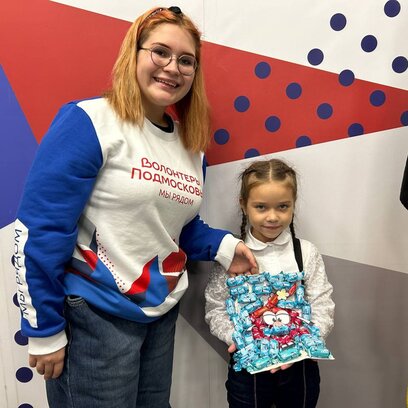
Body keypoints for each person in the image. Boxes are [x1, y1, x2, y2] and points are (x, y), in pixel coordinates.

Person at [13, 6, 258, 408]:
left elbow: (177, 226)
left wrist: (226, 247)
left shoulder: (191, 147)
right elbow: (42, 229)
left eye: (186, 61)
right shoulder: (90, 121)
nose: (172, 68)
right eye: (160, 52)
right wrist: (43, 329)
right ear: (134, 53)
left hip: (160, 316)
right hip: (94, 316)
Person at [205, 158, 335, 408]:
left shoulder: (306, 253)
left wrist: (306, 342)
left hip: (299, 365)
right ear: (243, 205)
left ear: (293, 204)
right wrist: (239, 338)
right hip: (250, 366)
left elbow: (322, 304)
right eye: (261, 207)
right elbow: (216, 307)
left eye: (283, 206)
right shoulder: (232, 254)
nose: (273, 217)